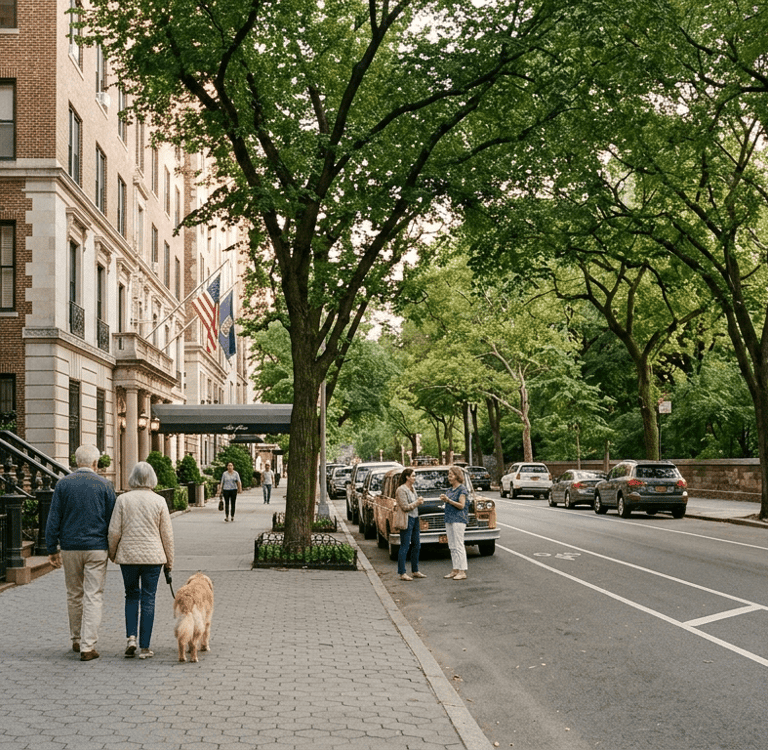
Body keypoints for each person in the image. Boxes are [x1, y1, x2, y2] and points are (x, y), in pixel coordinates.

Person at [45, 444, 116, 661]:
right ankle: (88, 646)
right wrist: (113, 549)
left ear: (77, 462)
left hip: (70, 547)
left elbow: (53, 518)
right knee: (93, 595)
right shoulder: (105, 485)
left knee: (73, 593)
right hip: (96, 548)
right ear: (95, 463)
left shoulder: (63, 485)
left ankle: (75, 639)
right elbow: (113, 520)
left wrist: (51, 548)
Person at [108, 461, 174, 660]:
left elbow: (114, 531)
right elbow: (167, 536)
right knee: (149, 598)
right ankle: (145, 647)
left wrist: (113, 553)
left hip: (128, 557)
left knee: (131, 595)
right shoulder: (160, 501)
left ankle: (131, 638)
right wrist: (169, 562)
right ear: (152, 478)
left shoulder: (123, 500)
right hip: (153, 558)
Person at [395, 468, 425, 581]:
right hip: (407, 519)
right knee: (405, 545)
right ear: (407, 477)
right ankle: (402, 572)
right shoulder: (401, 490)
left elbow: (413, 503)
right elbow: (405, 507)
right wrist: (417, 502)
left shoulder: (412, 488)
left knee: (417, 545)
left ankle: (415, 570)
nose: (415, 478)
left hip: (415, 518)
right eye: (413, 476)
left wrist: (418, 501)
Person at [440, 465, 469, 580]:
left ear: (457, 476)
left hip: (458, 519)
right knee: (452, 545)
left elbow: (461, 505)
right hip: (449, 519)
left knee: (459, 544)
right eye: (448, 475)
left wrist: (449, 501)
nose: (449, 477)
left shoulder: (462, 489)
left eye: (451, 475)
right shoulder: (449, 490)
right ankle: (455, 569)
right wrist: (445, 501)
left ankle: (462, 571)